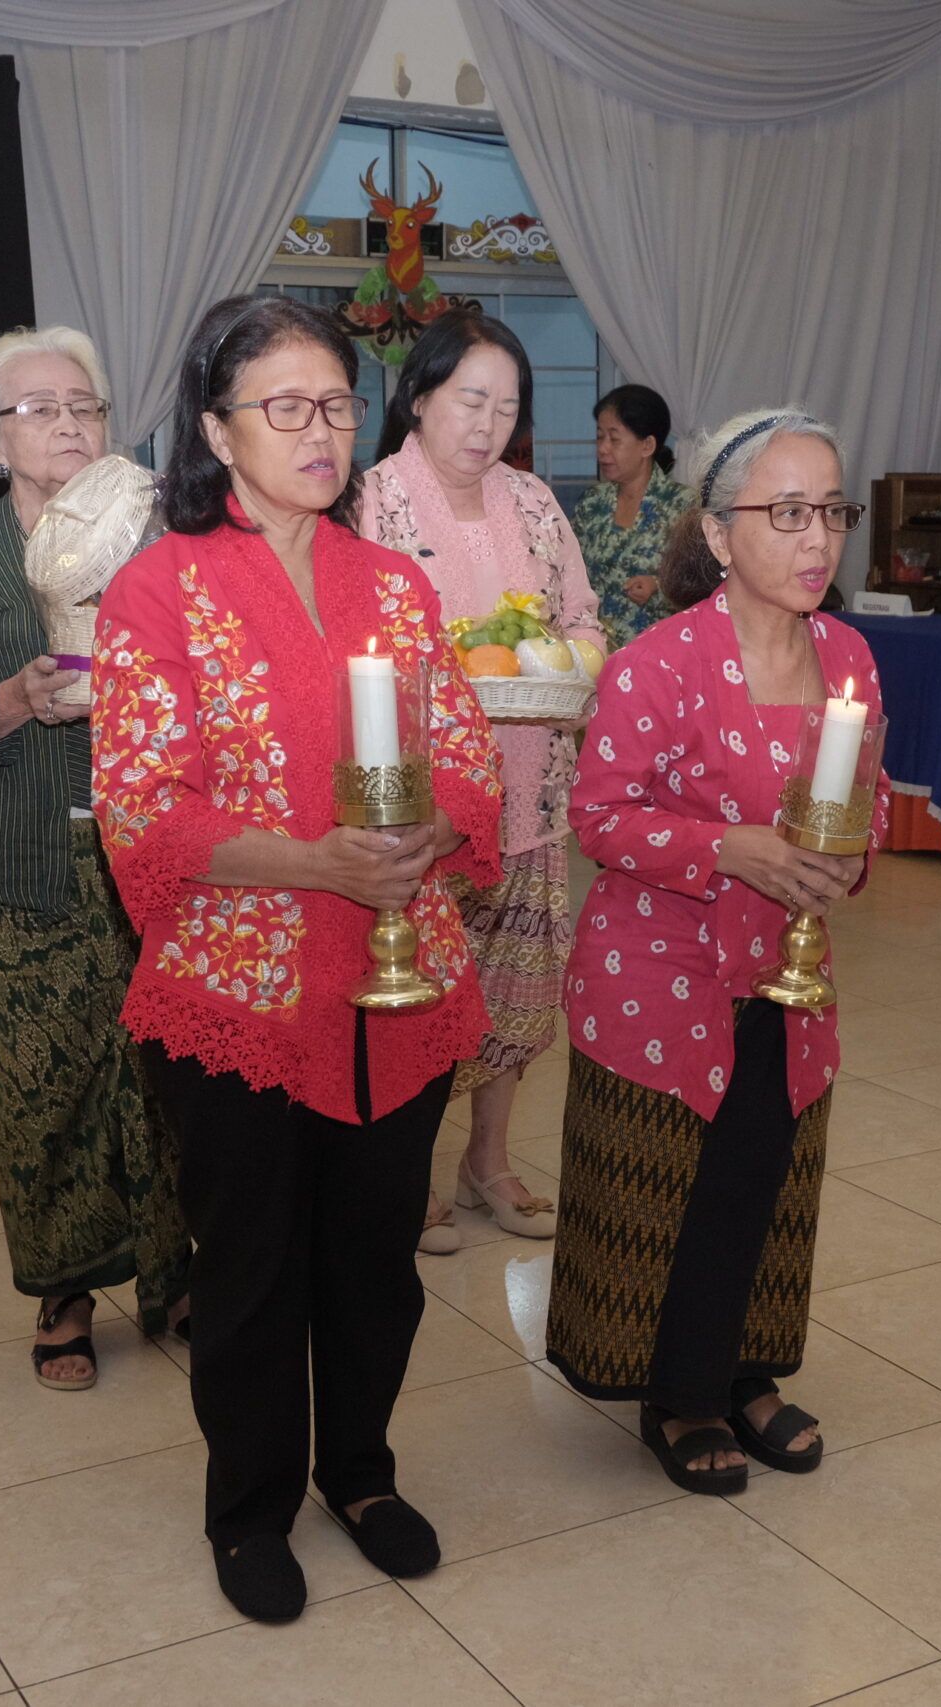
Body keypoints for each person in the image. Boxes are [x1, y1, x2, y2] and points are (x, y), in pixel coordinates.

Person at [92, 294, 503, 1624]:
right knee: (254, 1267)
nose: (320, 430)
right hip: (244, 986)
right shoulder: (160, 587)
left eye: (335, 403)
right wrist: (319, 862)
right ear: (218, 431)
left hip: (400, 975)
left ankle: (361, 1473)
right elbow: (145, 809)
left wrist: (437, 826)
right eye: (286, 407)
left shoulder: (394, 583)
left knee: (377, 1258)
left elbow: (465, 755)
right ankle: (251, 1504)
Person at [544, 408, 889, 1497]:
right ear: (718, 533)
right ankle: (678, 1391)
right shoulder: (659, 663)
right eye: (785, 513)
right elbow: (599, 818)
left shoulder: (848, 655)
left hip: (788, 966)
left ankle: (745, 1371)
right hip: (663, 967)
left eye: (831, 511)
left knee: (765, 1168)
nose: (816, 538)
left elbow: (869, 799)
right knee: (672, 1182)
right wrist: (730, 847)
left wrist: (847, 858)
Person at [0, 326, 186, 1391]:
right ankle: (63, 1292)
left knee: (164, 1078)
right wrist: (14, 699)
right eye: (40, 409)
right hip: (11, 865)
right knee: (37, 1087)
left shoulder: (161, 547)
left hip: (154, 857)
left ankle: (174, 1275)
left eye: (84, 406)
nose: (67, 425)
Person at [359, 309, 603, 1254]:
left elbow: (581, 618)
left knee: (518, 991)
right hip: (421, 804)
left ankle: (487, 1161)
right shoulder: (371, 503)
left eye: (506, 407)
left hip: (530, 789)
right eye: (470, 400)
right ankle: (411, 1173)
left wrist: (574, 660)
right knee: (420, 994)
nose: (487, 424)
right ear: (420, 398)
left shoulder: (535, 502)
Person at [570, 385, 688, 649]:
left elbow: (705, 585)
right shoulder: (591, 503)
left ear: (647, 445)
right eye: (599, 437)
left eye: (614, 439)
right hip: (594, 651)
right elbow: (567, 572)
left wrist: (659, 587)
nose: (602, 449)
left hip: (659, 651)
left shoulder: (683, 506)